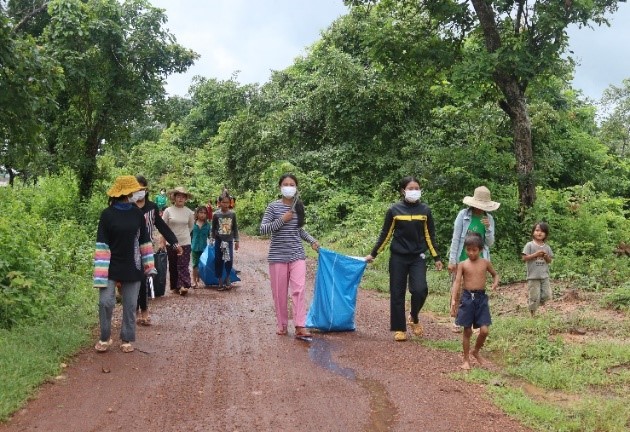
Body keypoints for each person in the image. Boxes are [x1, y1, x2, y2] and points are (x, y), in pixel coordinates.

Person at [365, 176, 444, 342]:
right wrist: (374, 253)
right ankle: (400, 328)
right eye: (411, 188)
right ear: (403, 191)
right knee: (397, 292)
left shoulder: (425, 210)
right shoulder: (394, 210)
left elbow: (429, 235)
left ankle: (414, 317)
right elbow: (386, 234)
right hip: (398, 257)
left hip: (418, 256)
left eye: (417, 188)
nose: (414, 191)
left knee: (420, 289)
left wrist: (436, 256)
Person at [93, 175, 155, 353]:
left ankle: (126, 338)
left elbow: (144, 240)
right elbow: (102, 244)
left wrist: (149, 265)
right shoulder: (107, 215)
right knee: (105, 302)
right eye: (135, 191)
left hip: (133, 265)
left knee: (129, 304)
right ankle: (105, 337)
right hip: (110, 266)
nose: (138, 193)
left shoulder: (137, 213)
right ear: (127, 193)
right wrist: (100, 273)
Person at [260, 173, 319, 338]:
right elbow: (263, 229)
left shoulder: (299, 206)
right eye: (286, 184)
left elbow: (299, 230)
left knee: (299, 290)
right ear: (280, 187)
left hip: (297, 254)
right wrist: (282, 219)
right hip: (277, 256)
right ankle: (282, 325)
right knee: (279, 293)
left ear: (296, 188)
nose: (289, 187)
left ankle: (300, 326)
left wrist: (312, 241)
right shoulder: (273, 207)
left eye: (292, 184)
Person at [448, 186, 500, 332]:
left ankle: (475, 319)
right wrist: (452, 260)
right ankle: (458, 319)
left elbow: (489, 243)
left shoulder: (488, 219)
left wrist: (488, 228)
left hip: (480, 259)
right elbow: (456, 238)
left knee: (475, 290)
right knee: (459, 289)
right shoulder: (463, 215)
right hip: (462, 258)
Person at [133, 175, 181, 325]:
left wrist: (174, 243)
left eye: (142, 188)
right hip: (129, 248)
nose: (139, 191)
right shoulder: (128, 206)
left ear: (146, 189)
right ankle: (133, 311)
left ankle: (144, 310)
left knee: (143, 278)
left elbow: (162, 227)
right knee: (133, 280)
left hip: (146, 249)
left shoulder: (152, 208)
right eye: (136, 188)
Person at [450, 233, 499, 370]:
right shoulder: (463, 265)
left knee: (484, 330)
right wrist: (454, 299)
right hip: (467, 298)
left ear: (481, 250)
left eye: (474, 250)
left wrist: (495, 283)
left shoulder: (485, 263)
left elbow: (495, 274)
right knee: (467, 331)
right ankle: (465, 359)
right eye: (468, 249)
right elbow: (457, 282)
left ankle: (476, 351)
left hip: (481, 299)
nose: (471, 253)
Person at [162, 186, 195, 296]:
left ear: (186, 199)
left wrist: (184, 235)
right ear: (174, 198)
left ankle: (183, 285)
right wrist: (163, 241)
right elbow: (163, 227)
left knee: (183, 265)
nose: (180, 199)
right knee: (173, 265)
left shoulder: (189, 212)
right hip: (171, 243)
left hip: (185, 241)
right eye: (178, 196)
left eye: (183, 197)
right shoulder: (168, 211)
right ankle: (175, 286)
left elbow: (191, 226)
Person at [522, 222, 554, 316]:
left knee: (547, 295)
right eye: (537, 230)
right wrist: (535, 254)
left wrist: (545, 256)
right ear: (533, 232)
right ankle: (532, 314)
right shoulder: (529, 245)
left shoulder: (547, 247)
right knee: (534, 297)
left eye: (542, 231)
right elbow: (524, 258)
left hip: (544, 275)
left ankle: (537, 303)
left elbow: (549, 261)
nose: (539, 233)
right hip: (533, 276)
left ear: (546, 234)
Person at [212, 193, 240, 290]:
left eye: (227, 202)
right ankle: (220, 281)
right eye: (223, 202)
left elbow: (235, 228)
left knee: (229, 260)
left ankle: (228, 278)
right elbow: (213, 228)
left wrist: (237, 240)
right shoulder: (216, 214)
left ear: (230, 203)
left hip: (229, 241)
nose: (225, 204)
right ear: (219, 203)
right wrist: (212, 239)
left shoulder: (232, 214)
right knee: (218, 260)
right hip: (219, 241)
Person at [191, 206, 211, 288]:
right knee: (195, 265)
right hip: (194, 247)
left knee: (202, 264)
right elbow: (189, 235)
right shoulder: (193, 224)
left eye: (204, 213)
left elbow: (210, 236)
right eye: (201, 212)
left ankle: (199, 279)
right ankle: (194, 281)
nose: (202, 215)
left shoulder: (207, 225)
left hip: (204, 248)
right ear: (197, 213)